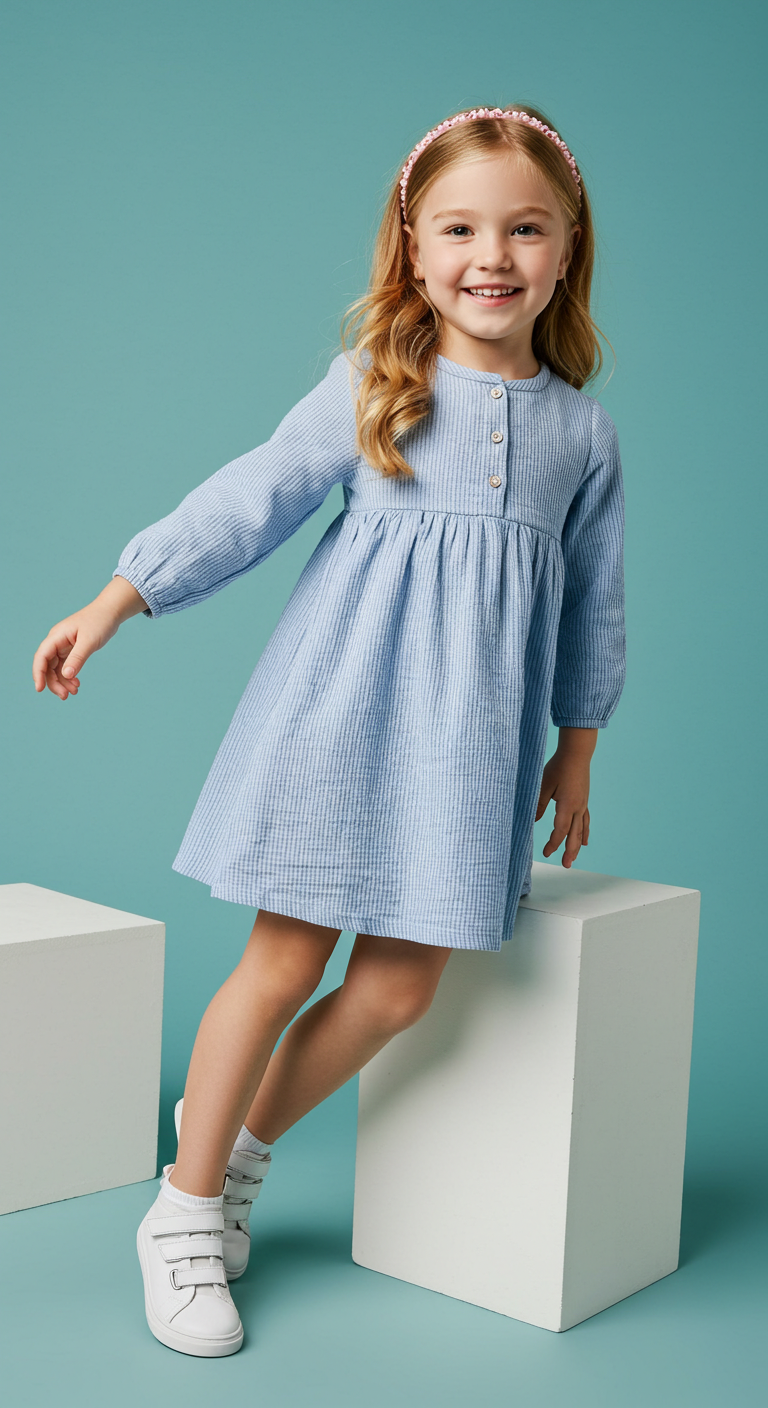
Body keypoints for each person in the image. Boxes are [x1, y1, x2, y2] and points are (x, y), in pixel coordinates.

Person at [32, 103, 625, 1357]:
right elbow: (250, 497)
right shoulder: (375, 385)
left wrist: (577, 743)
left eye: (526, 229)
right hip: (338, 720)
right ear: (413, 246)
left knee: (400, 988)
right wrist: (121, 595)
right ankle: (183, 1210)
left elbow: (594, 596)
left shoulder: (582, 432)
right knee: (284, 966)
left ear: (568, 249)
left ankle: (234, 1151)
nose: (492, 256)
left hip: (471, 751)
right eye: (460, 229)